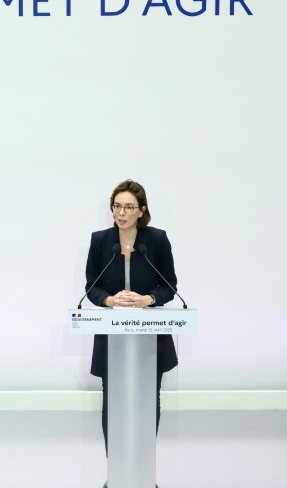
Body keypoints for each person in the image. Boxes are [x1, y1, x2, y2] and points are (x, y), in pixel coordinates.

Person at [84, 179, 179, 470]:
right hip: (112, 338)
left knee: (148, 402)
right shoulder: (101, 240)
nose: (121, 212)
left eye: (128, 207)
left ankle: (143, 468)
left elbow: (169, 286)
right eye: (116, 206)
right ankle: (117, 470)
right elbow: (91, 287)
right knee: (112, 404)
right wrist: (110, 301)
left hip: (150, 337)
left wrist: (148, 298)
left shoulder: (157, 240)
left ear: (141, 211)